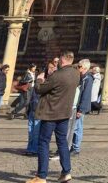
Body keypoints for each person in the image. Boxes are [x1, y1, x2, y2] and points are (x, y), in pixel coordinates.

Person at [27, 50, 80, 183]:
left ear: (62, 60)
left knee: (43, 142)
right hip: (64, 113)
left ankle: (41, 176)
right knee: (62, 142)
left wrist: (39, 79)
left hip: (51, 113)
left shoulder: (58, 75)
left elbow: (40, 89)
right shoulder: (75, 74)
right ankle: (66, 172)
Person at [70, 59, 93, 155]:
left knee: (77, 128)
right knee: (74, 127)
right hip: (76, 106)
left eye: (79, 67)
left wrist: (81, 109)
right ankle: (72, 146)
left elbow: (86, 95)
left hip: (80, 107)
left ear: (85, 68)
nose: (77, 68)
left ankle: (76, 148)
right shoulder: (81, 77)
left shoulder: (88, 79)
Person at [25, 72, 45, 157]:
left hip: (37, 112)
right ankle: (31, 149)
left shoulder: (40, 89)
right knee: (32, 132)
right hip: (34, 111)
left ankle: (33, 149)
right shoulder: (35, 88)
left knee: (34, 132)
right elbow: (30, 100)